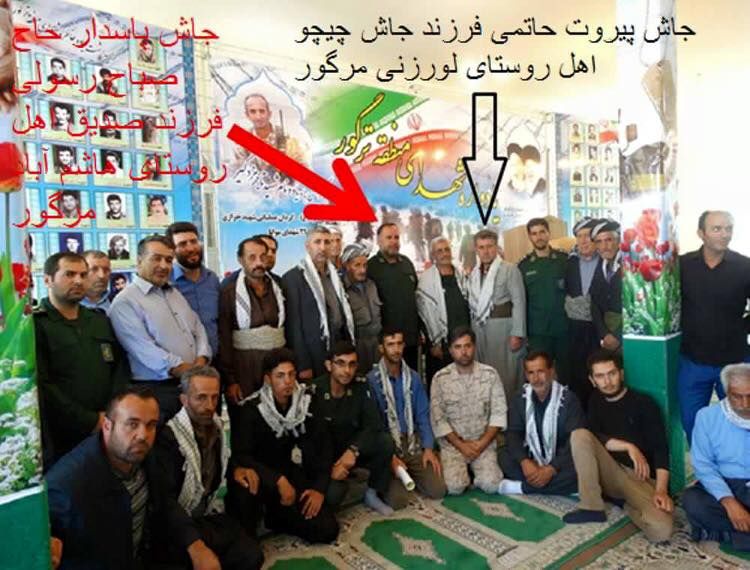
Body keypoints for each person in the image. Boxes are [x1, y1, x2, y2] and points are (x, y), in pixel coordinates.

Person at [151, 366, 264, 569]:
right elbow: (165, 502)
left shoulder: (216, 426)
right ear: (184, 400)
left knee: (251, 555)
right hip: (177, 525)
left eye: (214, 397)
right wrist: (195, 545)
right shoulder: (168, 438)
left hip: (205, 515)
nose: (209, 406)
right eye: (201, 398)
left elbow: (221, 461)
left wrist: (235, 469)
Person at [227, 348, 339, 543]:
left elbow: (324, 446)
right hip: (264, 478)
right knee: (243, 491)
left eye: (291, 374)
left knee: (327, 529)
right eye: (280, 376)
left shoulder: (307, 402)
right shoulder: (251, 409)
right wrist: (277, 480)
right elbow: (241, 456)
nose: (287, 381)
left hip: (296, 475)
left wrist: (319, 489)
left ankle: (279, 517)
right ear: (268, 379)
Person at [563, 349, 674, 543]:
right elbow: (593, 435)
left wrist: (661, 490)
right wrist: (628, 447)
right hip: (610, 471)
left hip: (638, 477)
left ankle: (623, 503)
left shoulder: (644, 403)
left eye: (612, 374)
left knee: (661, 531)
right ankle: (592, 508)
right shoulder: (595, 400)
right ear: (592, 380)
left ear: (621, 374)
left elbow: (661, 449)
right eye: (600, 376)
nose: (607, 381)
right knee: (579, 435)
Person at [46, 387, 160, 569]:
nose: (143, 435)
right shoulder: (66, 486)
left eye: (151, 425)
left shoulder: (146, 455)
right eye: (132, 424)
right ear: (107, 426)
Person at [35, 252, 130, 464]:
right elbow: (43, 384)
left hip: (108, 425)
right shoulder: (37, 324)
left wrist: (112, 412)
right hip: (62, 434)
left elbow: (119, 368)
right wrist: (89, 420)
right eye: (69, 274)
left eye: (83, 275)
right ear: (48, 280)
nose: (78, 281)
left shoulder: (99, 320)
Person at [109, 235, 212, 421]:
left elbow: (198, 327)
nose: (164, 266)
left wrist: (202, 359)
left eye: (168, 260)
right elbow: (145, 350)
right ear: (139, 261)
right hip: (158, 390)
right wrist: (190, 372)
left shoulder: (174, 292)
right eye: (156, 258)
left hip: (192, 382)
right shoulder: (125, 302)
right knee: (166, 438)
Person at [678, 211, 750, 441]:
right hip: (693, 362)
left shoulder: (744, 266)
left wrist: (742, 327)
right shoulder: (682, 265)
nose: (724, 234)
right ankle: (704, 464)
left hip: (735, 361)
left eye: (728, 228)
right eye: (717, 229)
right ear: (701, 233)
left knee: (742, 423)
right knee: (691, 423)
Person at [368, 327, 446, 509]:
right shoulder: (372, 381)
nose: (396, 349)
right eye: (390, 345)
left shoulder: (414, 378)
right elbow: (373, 426)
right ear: (381, 348)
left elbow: (423, 414)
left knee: (438, 490)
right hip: (389, 446)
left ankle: (414, 472)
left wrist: (428, 448)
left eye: (399, 344)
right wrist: (389, 457)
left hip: (412, 442)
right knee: (398, 501)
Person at [312, 341, 394, 515]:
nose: (347, 370)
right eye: (340, 363)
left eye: (352, 364)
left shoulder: (360, 384)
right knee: (332, 496)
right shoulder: (315, 391)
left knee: (385, 442)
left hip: (352, 447)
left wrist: (353, 450)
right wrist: (330, 469)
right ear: (329, 365)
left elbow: (373, 424)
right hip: (327, 455)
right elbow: (312, 442)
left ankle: (372, 493)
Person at [430, 326, 506, 495]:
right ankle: (463, 472)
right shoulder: (440, 379)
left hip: (483, 443)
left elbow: (499, 414)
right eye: (458, 347)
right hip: (454, 446)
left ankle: (476, 471)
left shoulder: (490, 375)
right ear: (450, 350)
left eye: (467, 346)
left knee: (492, 485)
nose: (463, 352)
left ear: (474, 347)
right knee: (454, 487)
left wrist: (481, 444)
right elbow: (439, 420)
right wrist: (461, 446)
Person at [682, 363, 750, 552]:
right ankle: (739, 533)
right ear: (727, 393)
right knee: (692, 501)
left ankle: (730, 535)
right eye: (737, 397)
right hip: (725, 483)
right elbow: (703, 466)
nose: (745, 404)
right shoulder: (707, 417)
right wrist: (728, 501)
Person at [498, 351, 584, 495]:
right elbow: (513, 433)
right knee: (503, 457)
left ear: (551, 371)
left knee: (582, 470)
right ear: (526, 375)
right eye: (531, 373)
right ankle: (558, 486)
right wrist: (524, 462)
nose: (536, 379)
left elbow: (574, 441)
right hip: (532, 458)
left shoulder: (568, 400)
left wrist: (551, 468)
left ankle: (522, 488)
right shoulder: (520, 398)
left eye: (540, 372)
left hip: (561, 463)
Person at [219, 237, 286, 407]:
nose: (259, 263)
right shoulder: (229, 290)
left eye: (263, 257)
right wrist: (231, 380)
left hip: (276, 365)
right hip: (243, 367)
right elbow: (224, 337)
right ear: (240, 259)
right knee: (247, 414)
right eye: (252, 257)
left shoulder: (278, 285)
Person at [283, 225, 355, 380]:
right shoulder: (293, 278)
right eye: (317, 242)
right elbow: (293, 327)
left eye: (327, 242)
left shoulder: (334, 276)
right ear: (307, 246)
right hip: (313, 353)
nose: (322, 247)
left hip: (337, 347)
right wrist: (303, 364)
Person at [468, 229, 526, 400]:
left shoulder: (509, 269)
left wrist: (517, 333)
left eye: (489, 246)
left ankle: (509, 412)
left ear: (496, 247)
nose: (486, 251)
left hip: (503, 329)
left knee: (505, 375)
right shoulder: (474, 273)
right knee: (483, 373)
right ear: (476, 250)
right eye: (481, 247)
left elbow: (519, 302)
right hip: (480, 329)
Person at [518, 218, 569, 384]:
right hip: (537, 331)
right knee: (539, 375)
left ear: (548, 233)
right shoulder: (523, 266)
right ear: (529, 237)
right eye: (534, 233)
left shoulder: (564, 260)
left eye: (542, 232)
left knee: (566, 373)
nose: (538, 237)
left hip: (563, 328)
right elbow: (520, 301)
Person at [367, 223, 421, 371]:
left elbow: (416, 297)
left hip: (409, 339)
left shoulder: (406, 263)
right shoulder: (371, 267)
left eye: (396, 237)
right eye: (389, 237)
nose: (393, 241)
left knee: (411, 378)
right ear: (379, 240)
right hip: (387, 342)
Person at [417, 236, 470, 385]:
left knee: (465, 381)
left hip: (464, 339)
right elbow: (423, 315)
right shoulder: (426, 280)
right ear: (433, 255)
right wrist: (433, 344)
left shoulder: (460, 274)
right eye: (439, 251)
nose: (444, 253)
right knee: (443, 383)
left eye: (447, 249)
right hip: (441, 344)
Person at [167, 221, 221, 359]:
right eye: (182, 244)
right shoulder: (166, 283)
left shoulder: (212, 279)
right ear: (172, 251)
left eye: (193, 241)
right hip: (183, 362)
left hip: (216, 360)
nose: (191, 248)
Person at [564, 217, 601, 408]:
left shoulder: (607, 261)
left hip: (600, 328)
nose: (584, 240)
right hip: (575, 328)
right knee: (578, 375)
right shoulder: (569, 262)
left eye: (588, 235)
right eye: (580, 236)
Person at [232, 93, 304, 176]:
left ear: (269, 114)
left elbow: (301, 168)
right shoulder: (243, 141)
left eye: (262, 111)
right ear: (247, 115)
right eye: (253, 112)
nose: (258, 117)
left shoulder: (286, 136)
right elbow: (239, 173)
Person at [341, 242, 382, 375]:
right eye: (357, 265)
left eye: (365, 265)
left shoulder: (371, 285)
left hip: (377, 346)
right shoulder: (341, 290)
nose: (363, 270)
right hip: (356, 348)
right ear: (347, 265)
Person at [589, 219, 622, 353]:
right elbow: (594, 302)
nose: (604, 246)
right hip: (605, 336)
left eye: (608, 240)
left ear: (618, 241)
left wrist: (617, 336)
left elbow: (638, 306)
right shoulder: (599, 265)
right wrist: (603, 333)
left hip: (626, 333)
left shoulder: (630, 264)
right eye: (599, 241)